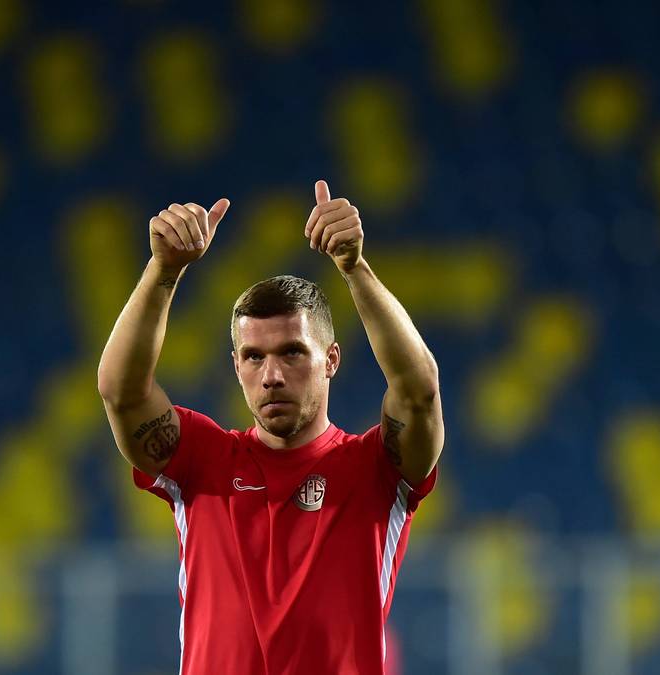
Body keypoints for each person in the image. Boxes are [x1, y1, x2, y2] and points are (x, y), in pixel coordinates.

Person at [97, 180, 444, 674]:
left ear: (331, 360)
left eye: (292, 353)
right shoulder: (202, 460)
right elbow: (120, 391)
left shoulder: (377, 469)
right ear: (236, 366)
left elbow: (420, 390)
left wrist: (354, 268)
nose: (272, 375)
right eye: (254, 357)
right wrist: (163, 272)